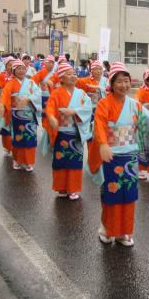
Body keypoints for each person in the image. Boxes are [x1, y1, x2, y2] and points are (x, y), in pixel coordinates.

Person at [86, 62, 149, 246]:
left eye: (126, 81)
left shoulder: (134, 105)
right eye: (119, 82)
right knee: (112, 195)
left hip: (130, 157)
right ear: (112, 84)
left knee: (129, 196)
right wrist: (103, 145)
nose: (123, 85)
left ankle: (124, 231)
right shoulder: (103, 104)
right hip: (111, 157)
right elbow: (98, 126)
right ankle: (108, 229)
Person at [46, 63, 93, 200]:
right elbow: (50, 107)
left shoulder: (81, 93)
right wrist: (51, 117)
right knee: (60, 160)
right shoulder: (56, 93)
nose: (73, 76)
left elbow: (88, 107)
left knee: (75, 162)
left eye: (74, 74)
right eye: (69, 74)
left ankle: (73, 188)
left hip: (76, 132)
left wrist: (74, 111)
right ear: (61, 78)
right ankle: (61, 187)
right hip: (61, 132)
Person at [0, 60, 42, 172]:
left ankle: (29, 162)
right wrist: (2, 105)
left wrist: (28, 98)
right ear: (14, 71)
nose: (21, 71)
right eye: (18, 69)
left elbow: (38, 93)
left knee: (30, 139)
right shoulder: (11, 83)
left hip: (29, 116)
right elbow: (4, 95)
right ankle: (17, 160)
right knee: (17, 138)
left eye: (23, 68)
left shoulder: (31, 83)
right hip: (16, 116)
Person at [32, 55, 59, 138]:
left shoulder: (55, 74)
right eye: (49, 62)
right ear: (45, 63)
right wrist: (37, 91)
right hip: (44, 95)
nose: (51, 64)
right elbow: (33, 82)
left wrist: (56, 85)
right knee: (45, 113)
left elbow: (59, 84)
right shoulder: (41, 72)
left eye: (52, 63)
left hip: (53, 96)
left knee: (52, 113)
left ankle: (50, 127)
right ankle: (44, 127)